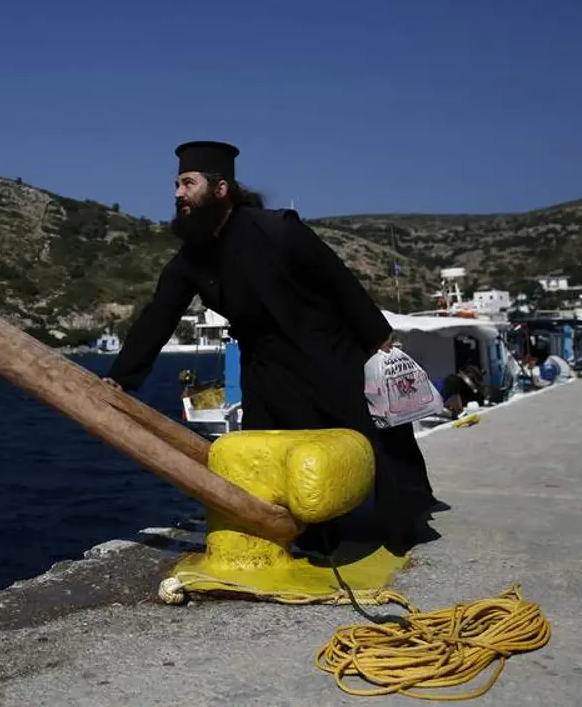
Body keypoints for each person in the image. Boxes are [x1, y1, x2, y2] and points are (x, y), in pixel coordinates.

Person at [102, 140, 439, 554]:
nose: (178, 194)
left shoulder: (277, 229)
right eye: (176, 184)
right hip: (264, 367)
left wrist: (375, 335)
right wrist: (121, 379)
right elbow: (159, 316)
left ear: (220, 188)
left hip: (325, 351)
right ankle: (308, 534)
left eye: (187, 183)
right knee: (269, 452)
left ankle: (406, 522)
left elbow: (337, 279)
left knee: (377, 436)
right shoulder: (192, 259)